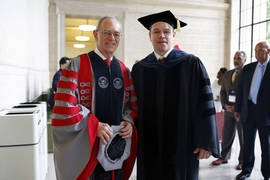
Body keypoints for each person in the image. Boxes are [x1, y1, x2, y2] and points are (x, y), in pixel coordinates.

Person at [132, 10, 220, 180]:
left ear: (173, 35)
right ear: (149, 36)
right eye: (156, 31)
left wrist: (205, 141)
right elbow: (133, 106)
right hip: (148, 145)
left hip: (183, 143)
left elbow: (205, 104)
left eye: (166, 31)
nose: (161, 35)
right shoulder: (140, 68)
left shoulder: (191, 64)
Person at [51, 15, 138, 180]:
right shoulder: (77, 65)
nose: (112, 38)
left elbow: (131, 106)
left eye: (116, 34)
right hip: (88, 149)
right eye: (106, 32)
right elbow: (64, 109)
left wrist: (128, 121)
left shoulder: (124, 70)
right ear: (95, 34)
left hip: (115, 150)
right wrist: (93, 125)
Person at [234, 41, 270, 180]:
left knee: (265, 145)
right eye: (255, 51)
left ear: (268, 50)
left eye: (260, 50)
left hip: (266, 113)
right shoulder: (248, 68)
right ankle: (246, 170)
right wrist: (238, 109)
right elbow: (241, 90)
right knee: (247, 143)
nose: (257, 54)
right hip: (249, 110)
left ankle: (267, 173)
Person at [212, 51, 246, 170]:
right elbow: (223, 92)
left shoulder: (247, 74)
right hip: (228, 110)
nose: (236, 60)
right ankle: (224, 157)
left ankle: (243, 160)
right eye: (235, 58)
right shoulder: (227, 74)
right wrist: (225, 105)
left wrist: (237, 107)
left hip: (241, 111)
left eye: (239, 58)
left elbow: (247, 94)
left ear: (244, 60)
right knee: (226, 134)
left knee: (243, 137)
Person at [211, 67, 227, 141]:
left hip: (220, 107)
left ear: (223, 75)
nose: (218, 74)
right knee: (214, 124)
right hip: (213, 105)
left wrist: (221, 97)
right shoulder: (215, 82)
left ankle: (220, 140)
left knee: (220, 124)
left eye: (220, 73)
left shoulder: (226, 84)